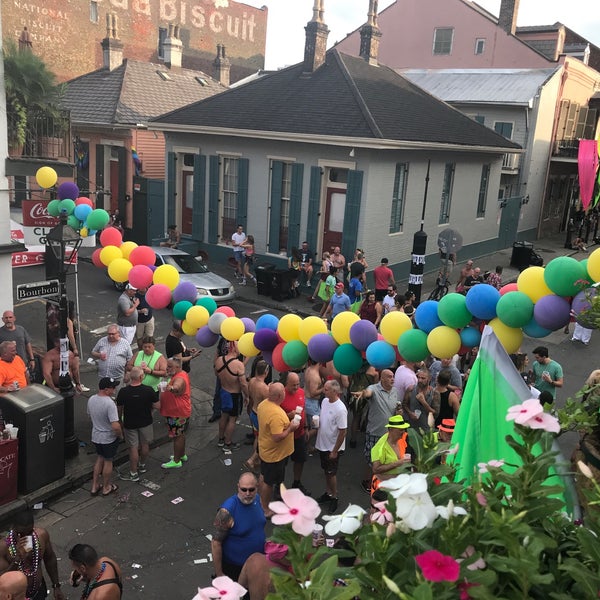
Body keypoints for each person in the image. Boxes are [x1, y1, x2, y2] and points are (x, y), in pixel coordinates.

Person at [211, 472, 266, 581]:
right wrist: (219, 574)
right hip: (235, 568)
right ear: (238, 487)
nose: (247, 493)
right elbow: (216, 543)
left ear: (257, 488)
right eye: (244, 489)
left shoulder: (257, 499)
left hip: (257, 564)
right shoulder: (227, 511)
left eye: (251, 490)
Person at [353, 369, 400, 494]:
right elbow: (368, 393)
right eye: (389, 377)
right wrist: (362, 394)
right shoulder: (374, 388)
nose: (392, 379)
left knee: (385, 459)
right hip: (375, 432)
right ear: (382, 379)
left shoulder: (395, 391)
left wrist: (398, 412)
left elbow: (394, 408)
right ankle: (366, 481)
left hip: (389, 434)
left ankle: (380, 482)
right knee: (372, 460)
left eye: (393, 377)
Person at [0, 508, 63, 600]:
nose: (25, 537)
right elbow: (2, 580)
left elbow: (50, 559)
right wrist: (17, 559)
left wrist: (56, 586)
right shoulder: (3, 547)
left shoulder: (41, 535)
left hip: (38, 591)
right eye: (20, 534)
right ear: (13, 528)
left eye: (29, 532)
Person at [256, 382, 299, 516]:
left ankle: (259, 498)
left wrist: (287, 416)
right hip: (275, 455)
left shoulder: (263, 405)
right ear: (280, 395)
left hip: (265, 449)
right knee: (269, 482)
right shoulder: (276, 414)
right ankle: (265, 509)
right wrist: (290, 428)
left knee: (264, 475)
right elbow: (277, 436)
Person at [116, 366, 160, 481]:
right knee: (145, 445)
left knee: (133, 448)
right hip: (146, 422)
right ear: (141, 377)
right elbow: (157, 406)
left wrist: (120, 420)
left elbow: (119, 408)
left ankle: (133, 472)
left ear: (131, 377)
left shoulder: (123, 392)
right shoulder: (148, 390)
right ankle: (142, 464)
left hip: (130, 423)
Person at [315, 379, 347, 513]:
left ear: (334, 391)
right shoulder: (324, 401)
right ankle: (328, 493)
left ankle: (334, 496)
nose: (323, 391)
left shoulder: (340, 409)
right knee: (326, 471)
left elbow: (343, 431)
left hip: (332, 448)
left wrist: (334, 451)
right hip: (323, 445)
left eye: (326, 389)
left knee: (331, 473)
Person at [88, 377, 122, 496]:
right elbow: (115, 425)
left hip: (96, 436)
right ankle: (106, 487)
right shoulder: (109, 403)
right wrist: (120, 435)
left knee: (99, 458)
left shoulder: (91, 399)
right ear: (107, 389)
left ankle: (95, 485)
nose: (114, 390)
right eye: (113, 388)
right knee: (108, 461)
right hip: (108, 438)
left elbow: (89, 414)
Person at [279, 372, 310, 494]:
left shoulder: (301, 393)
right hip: (286, 435)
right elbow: (276, 416)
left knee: (300, 460)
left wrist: (306, 427)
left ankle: (297, 482)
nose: (296, 387)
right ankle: (279, 486)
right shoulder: (281, 395)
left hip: (300, 434)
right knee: (282, 463)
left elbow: (304, 410)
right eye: (293, 385)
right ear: (286, 384)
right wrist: (288, 415)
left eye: (298, 384)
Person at [215, 341, 249, 451]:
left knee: (224, 415)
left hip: (224, 391)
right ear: (234, 349)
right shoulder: (238, 364)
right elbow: (243, 384)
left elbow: (216, 373)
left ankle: (221, 439)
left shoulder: (219, 360)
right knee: (232, 419)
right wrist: (247, 396)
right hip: (234, 395)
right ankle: (228, 443)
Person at [159, 357, 192, 469]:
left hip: (176, 413)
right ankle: (181, 455)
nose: (167, 368)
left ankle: (177, 461)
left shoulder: (179, 378)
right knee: (180, 434)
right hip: (179, 411)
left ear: (177, 367)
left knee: (177, 436)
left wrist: (171, 388)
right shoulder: (180, 374)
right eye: (167, 366)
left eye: (169, 367)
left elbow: (177, 387)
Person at [371, 415, 413, 495]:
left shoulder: (401, 439)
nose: (403, 432)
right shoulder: (380, 448)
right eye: (400, 430)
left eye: (404, 429)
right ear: (391, 430)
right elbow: (376, 469)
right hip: (383, 489)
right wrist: (398, 463)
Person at [243, 360, 270, 471]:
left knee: (257, 437)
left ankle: (256, 460)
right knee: (262, 439)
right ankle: (254, 458)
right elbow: (269, 405)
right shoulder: (264, 388)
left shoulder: (252, 381)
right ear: (266, 371)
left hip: (253, 412)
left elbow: (250, 396)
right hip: (260, 415)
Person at [403, 368, 439, 433]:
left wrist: (424, 402)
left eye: (423, 378)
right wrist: (410, 413)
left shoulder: (434, 393)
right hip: (412, 429)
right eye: (418, 377)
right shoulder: (411, 389)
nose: (419, 380)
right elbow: (404, 404)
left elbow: (435, 413)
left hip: (427, 430)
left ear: (429, 379)